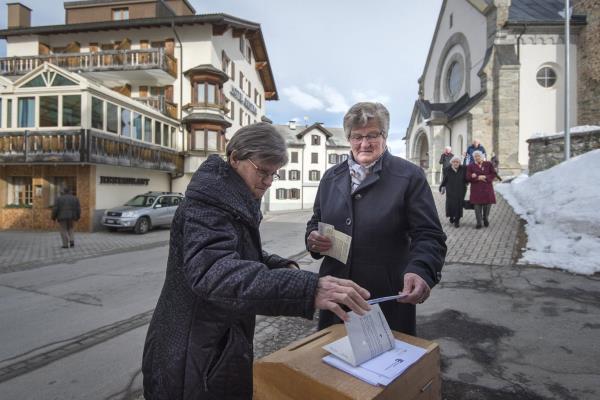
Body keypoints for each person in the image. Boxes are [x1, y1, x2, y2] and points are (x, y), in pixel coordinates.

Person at [142, 123, 371, 400]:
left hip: (213, 346)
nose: (268, 181)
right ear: (235, 157)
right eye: (262, 171)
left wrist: (278, 266)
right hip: (194, 354)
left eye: (274, 174)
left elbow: (239, 253)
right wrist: (306, 289)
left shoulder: (231, 197)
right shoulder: (208, 204)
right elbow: (213, 272)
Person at [305, 102, 447, 336]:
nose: (364, 143)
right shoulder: (331, 177)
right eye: (357, 136)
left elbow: (429, 235)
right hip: (337, 296)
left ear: (385, 135)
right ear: (348, 138)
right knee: (332, 367)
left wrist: (421, 270)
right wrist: (312, 239)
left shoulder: (409, 176)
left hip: (385, 297)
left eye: (372, 135)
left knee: (386, 368)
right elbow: (316, 220)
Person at [467, 150, 497, 229]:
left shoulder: (488, 164)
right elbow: (467, 177)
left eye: (478, 156)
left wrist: (485, 177)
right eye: (475, 156)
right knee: (477, 206)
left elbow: (493, 174)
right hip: (476, 189)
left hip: (487, 188)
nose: (477, 158)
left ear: (482, 156)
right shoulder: (471, 166)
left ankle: (485, 217)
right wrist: (477, 177)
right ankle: (479, 222)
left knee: (487, 205)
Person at [439, 155, 467, 228]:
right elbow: (444, 180)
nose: (456, 163)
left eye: (457, 162)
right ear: (451, 162)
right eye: (454, 162)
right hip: (450, 190)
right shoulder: (447, 170)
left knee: (459, 205)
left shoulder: (463, 169)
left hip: (460, 190)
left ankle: (457, 220)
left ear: (459, 163)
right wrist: (441, 187)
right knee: (451, 205)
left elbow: (466, 178)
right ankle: (451, 216)